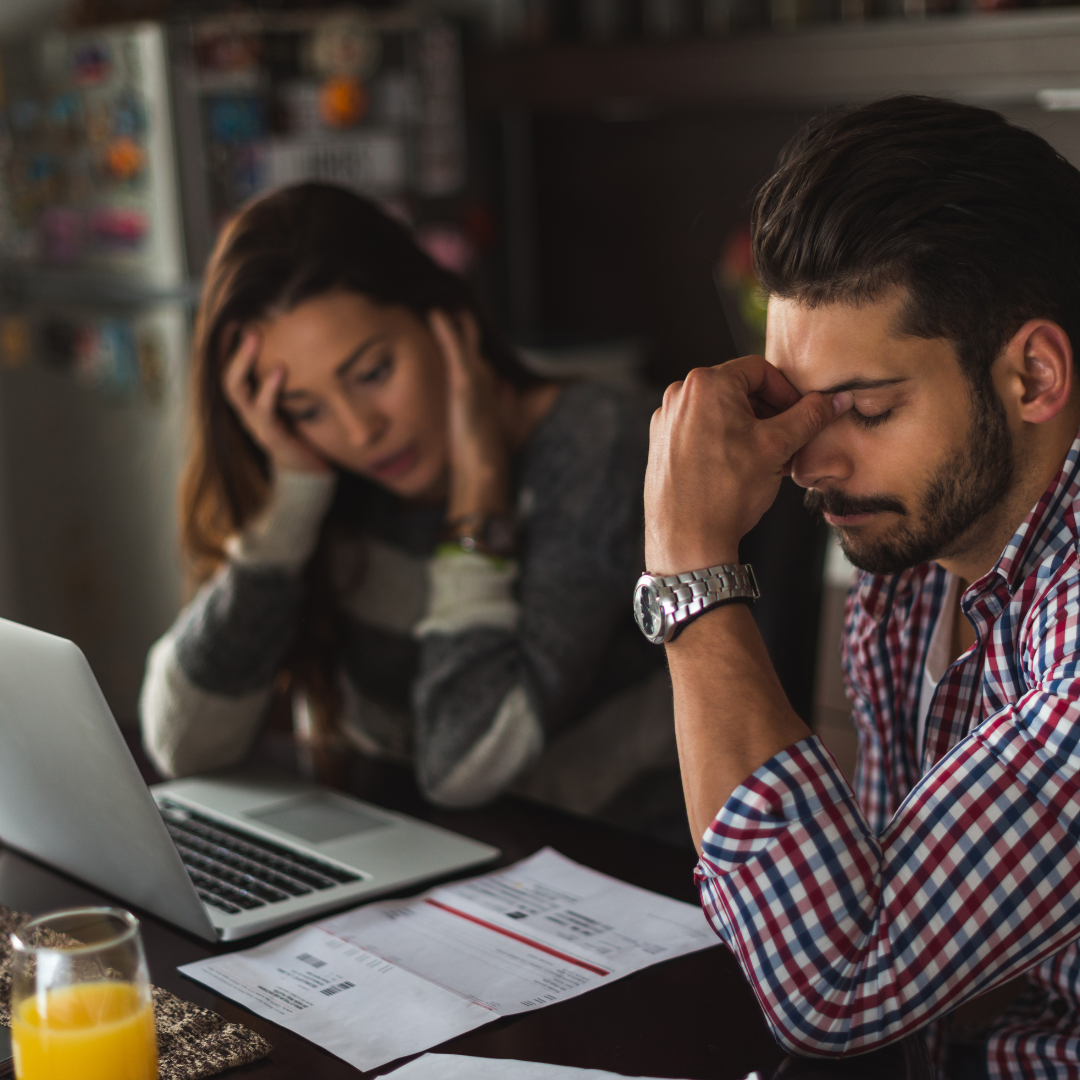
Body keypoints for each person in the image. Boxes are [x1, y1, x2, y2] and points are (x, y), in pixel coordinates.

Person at [638, 96, 1080, 1078]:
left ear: (1035, 374)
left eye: (867, 408)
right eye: (798, 410)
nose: (807, 463)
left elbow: (837, 978)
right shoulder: (915, 564)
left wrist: (690, 574)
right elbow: (875, 925)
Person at [140, 182, 668, 814]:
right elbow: (182, 744)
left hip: (597, 864)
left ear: (444, 318)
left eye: (372, 374)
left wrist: (478, 500)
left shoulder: (593, 445)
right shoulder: (330, 476)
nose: (360, 432)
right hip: (405, 853)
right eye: (305, 409)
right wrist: (291, 505)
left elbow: (463, 766)